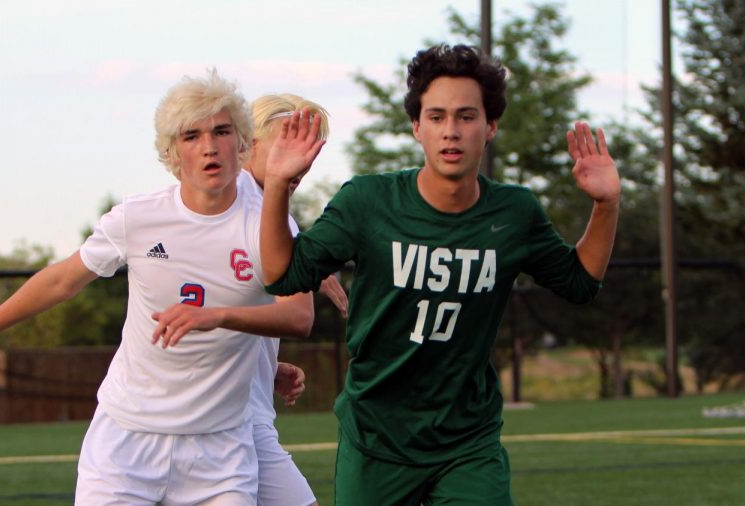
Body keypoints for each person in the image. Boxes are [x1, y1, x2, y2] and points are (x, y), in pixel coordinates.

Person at [260, 43, 621, 505]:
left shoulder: (514, 212)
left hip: (467, 442)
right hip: (377, 439)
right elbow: (281, 274)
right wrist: (276, 186)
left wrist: (606, 204)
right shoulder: (368, 202)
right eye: (436, 117)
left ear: (490, 127)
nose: (451, 131)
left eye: (466, 116)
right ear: (416, 127)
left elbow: (580, 282)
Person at [0, 70, 315, 506]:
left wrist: (215, 317)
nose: (209, 146)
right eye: (191, 136)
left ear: (243, 142)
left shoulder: (269, 222)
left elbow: (297, 317)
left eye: (221, 131)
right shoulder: (137, 218)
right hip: (126, 441)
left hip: (220, 450)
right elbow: (62, 280)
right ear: (172, 152)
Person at [243, 93, 347, 506]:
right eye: (290, 142)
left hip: (243, 415)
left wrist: (262, 365)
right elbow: (298, 319)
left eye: (311, 148)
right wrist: (306, 269)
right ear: (250, 143)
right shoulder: (230, 207)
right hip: (216, 425)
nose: (302, 161)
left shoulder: (268, 211)